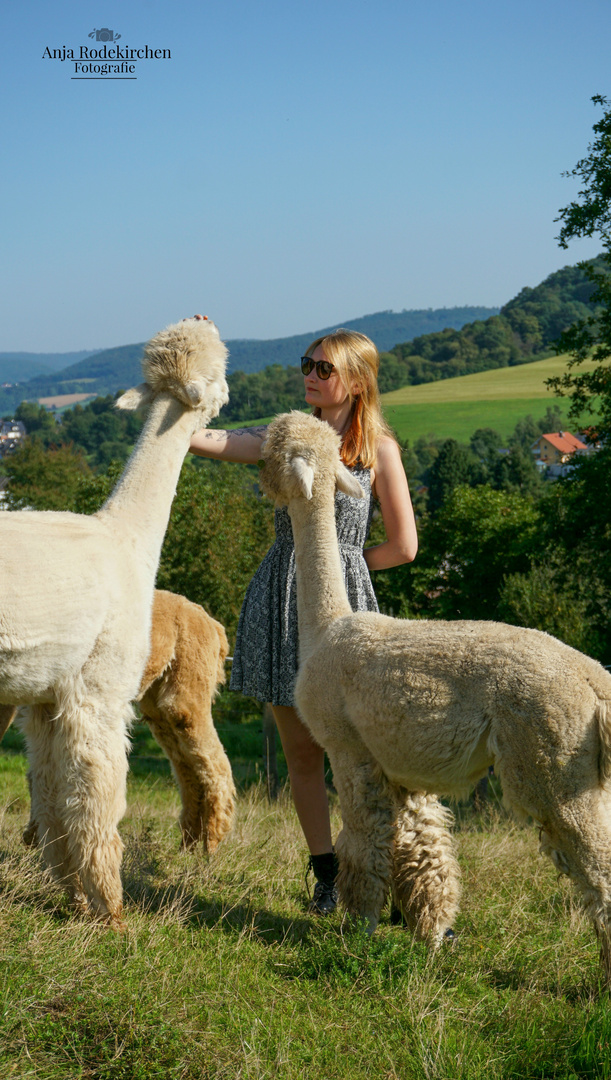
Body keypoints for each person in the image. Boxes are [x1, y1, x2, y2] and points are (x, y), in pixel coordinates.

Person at [189, 317, 418, 913]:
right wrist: (197, 364)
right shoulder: (287, 434)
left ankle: (385, 872)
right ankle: (327, 874)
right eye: (307, 366)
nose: (311, 377)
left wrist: (344, 568)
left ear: (358, 381)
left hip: (341, 609)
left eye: (325, 368)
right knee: (301, 753)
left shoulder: (380, 451)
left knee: (365, 752)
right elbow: (209, 440)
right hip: (278, 599)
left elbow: (404, 546)